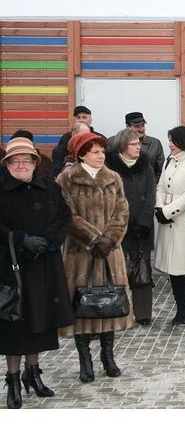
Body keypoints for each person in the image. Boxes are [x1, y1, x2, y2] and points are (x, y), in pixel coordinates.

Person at [0, 137, 74, 409]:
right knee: (15, 324)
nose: (21, 165)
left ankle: (33, 373)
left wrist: (48, 242)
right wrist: (20, 240)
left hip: (43, 265)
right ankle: (12, 379)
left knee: (39, 321)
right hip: (11, 266)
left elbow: (63, 217)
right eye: (15, 161)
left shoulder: (50, 188)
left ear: (34, 162)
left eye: (26, 160)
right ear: (7, 164)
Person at [57, 132, 133, 383]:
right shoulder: (66, 179)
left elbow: (122, 210)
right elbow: (67, 215)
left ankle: (108, 356)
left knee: (110, 303)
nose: (101, 156)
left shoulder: (113, 178)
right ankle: (85, 360)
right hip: (80, 253)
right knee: (82, 305)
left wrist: (109, 239)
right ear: (81, 154)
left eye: (102, 151)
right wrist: (93, 239)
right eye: (95, 152)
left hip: (110, 252)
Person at [105, 129, 156, 326]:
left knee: (142, 270)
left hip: (141, 228)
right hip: (117, 227)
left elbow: (150, 195)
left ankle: (143, 314)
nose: (139, 147)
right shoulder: (110, 167)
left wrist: (143, 222)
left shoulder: (146, 166)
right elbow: (109, 198)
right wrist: (118, 223)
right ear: (122, 146)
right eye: (134, 144)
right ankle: (118, 312)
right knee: (117, 271)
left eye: (139, 143)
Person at [154, 126, 185, 325]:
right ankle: (181, 308)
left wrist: (167, 212)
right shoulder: (169, 161)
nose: (170, 145)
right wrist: (159, 208)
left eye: (173, 141)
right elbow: (159, 186)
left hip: (183, 223)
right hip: (167, 222)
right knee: (172, 269)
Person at [108, 112, 165, 182]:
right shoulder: (112, 142)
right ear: (127, 127)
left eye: (143, 125)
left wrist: (150, 185)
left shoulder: (155, 144)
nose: (141, 129)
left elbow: (161, 171)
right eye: (137, 126)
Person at [52, 106, 105, 178]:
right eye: (78, 117)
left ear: (90, 120)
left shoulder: (100, 138)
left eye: (84, 117)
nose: (81, 120)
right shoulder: (65, 138)